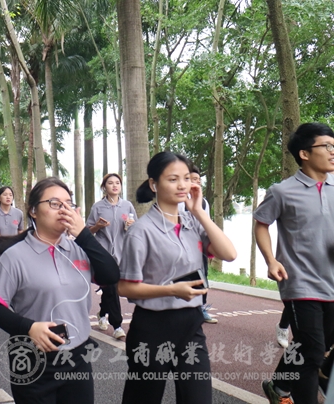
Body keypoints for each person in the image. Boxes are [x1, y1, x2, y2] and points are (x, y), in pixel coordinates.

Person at [0, 177, 119, 403]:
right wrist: (29, 328)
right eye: (55, 204)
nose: (64, 209)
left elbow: (111, 276)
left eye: (68, 204)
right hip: (33, 360)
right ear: (33, 211)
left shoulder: (79, 250)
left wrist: (84, 234)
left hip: (77, 357)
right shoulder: (15, 257)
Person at [117, 151, 236, 404]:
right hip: (152, 328)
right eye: (173, 179)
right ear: (153, 184)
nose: (182, 185)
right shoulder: (141, 232)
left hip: (191, 325)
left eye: (186, 178)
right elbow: (125, 287)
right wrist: (171, 290)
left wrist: (200, 212)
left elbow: (229, 254)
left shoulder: (193, 222)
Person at [254, 122, 334, 404]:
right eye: (327, 146)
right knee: (312, 352)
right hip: (300, 282)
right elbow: (261, 224)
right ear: (304, 153)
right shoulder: (282, 191)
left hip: (332, 282)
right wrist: (271, 259)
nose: (333, 151)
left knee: (313, 345)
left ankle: (278, 386)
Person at [86, 173, 136, 340]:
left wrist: (131, 225)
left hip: (122, 253)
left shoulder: (127, 206)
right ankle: (117, 325)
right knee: (112, 287)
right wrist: (98, 226)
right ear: (104, 187)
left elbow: (135, 229)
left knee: (110, 288)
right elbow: (88, 231)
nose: (114, 186)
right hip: (103, 254)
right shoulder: (98, 207)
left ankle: (102, 313)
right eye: (110, 183)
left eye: (117, 183)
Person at [184, 165, 217, 324]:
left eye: (198, 180)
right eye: (193, 179)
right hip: (183, 246)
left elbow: (206, 223)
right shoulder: (180, 200)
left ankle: (201, 307)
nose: (196, 182)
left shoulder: (203, 202)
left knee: (203, 276)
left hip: (199, 246)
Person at [0, 186, 24, 265]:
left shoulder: (19, 213)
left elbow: (20, 232)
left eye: (10, 195)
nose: (8, 197)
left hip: (14, 251)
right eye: (5, 195)